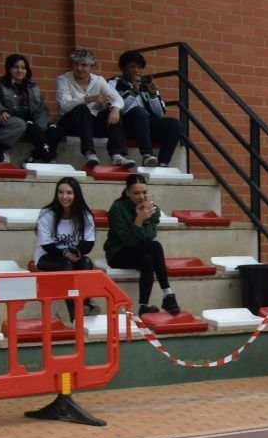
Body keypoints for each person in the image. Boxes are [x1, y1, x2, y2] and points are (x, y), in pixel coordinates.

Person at [105, 173, 179, 314]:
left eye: (144, 192)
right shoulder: (117, 208)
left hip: (140, 251)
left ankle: (143, 306)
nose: (142, 197)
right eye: (136, 193)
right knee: (155, 246)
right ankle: (168, 294)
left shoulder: (153, 210)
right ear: (127, 193)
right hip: (118, 253)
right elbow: (128, 241)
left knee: (148, 259)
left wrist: (143, 218)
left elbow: (149, 236)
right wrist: (139, 220)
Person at [56, 48, 134, 168]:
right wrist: (87, 99)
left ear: (92, 67)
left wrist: (115, 109)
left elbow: (117, 98)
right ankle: (90, 153)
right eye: (76, 64)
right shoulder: (63, 79)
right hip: (71, 123)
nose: (79, 68)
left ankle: (117, 155)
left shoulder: (98, 80)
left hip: (91, 124)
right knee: (82, 109)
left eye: (84, 65)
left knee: (112, 111)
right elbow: (64, 105)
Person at [36, 177, 98, 320]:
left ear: (76, 195)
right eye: (60, 192)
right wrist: (65, 253)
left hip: (71, 257)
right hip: (47, 257)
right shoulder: (46, 214)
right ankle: (75, 311)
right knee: (67, 264)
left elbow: (88, 243)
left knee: (86, 262)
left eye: (69, 193)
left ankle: (87, 302)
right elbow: (47, 245)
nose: (64, 197)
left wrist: (78, 252)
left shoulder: (85, 216)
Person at [113, 50, 182, 167]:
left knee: (175, 124)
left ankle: (163, 163)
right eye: (132, 67)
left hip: (145, 125)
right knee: (138, 112)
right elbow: (119, 107)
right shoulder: (114, 83)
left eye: (139, 67)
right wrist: (134, 90)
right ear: (123, 68)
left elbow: (159, 113)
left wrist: (153, 95)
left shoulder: (146, 84)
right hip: (125, 125)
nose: (136, 70)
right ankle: (147, 155)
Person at [0, 54, 60, 163]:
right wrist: (1, 110)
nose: (20, 71)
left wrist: (41, 126)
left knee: (56, 129)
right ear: (9, 69)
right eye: (16, 67)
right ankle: (48, 159)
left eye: (23, 68)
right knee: (33, 127)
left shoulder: (33, 86)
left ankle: (35, 157)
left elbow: (41, 108)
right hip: (14, 120)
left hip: (33, 121)